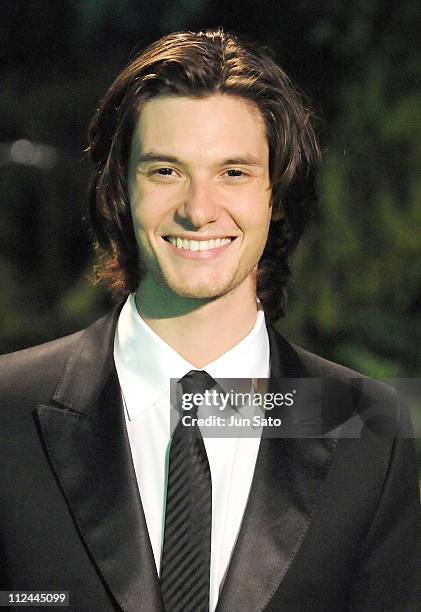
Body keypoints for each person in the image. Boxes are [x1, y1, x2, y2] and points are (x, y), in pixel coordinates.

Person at [0, 29, 419, 612]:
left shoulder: (370, 425)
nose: (199, 210)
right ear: (119, 189)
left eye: (234, 172)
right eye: (166, 171)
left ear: (277, 193)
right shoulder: (7, 409)